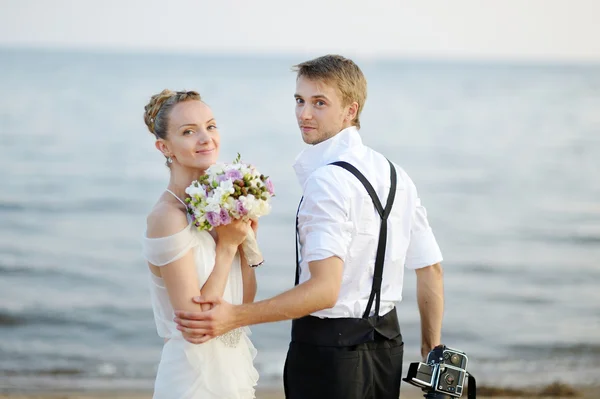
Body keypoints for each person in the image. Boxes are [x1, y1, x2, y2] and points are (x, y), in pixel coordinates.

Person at [174, 55, 445, 399]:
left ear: (351, 110)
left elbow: (324, 291)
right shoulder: (396, 174)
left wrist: (236, 317)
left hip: (329, 355)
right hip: (389, 351)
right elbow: (431, 268)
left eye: (319, 103)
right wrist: (431, 351)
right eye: (299, 101)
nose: (303, 114)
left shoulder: (328, 180)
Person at [141, 89, 259, 399]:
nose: (206, 138)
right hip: (192, 379)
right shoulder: (167, 217)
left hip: (232, 369)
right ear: (164, 147)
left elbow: (242, 303)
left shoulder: (218, 207)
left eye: (210, 126)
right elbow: (197, 326)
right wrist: (227, 248)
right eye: (189, 132)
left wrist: (246, 244)